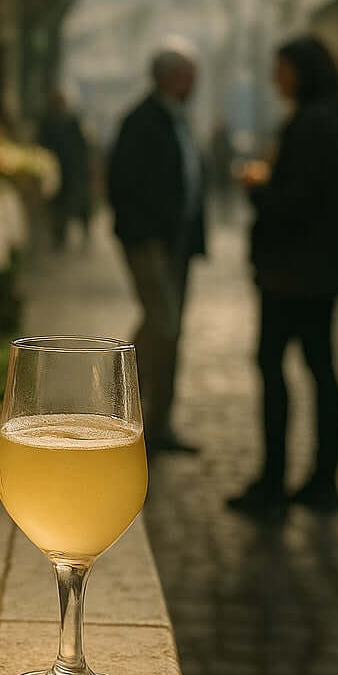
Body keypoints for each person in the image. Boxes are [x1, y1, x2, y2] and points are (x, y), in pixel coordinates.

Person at [228, 35, 338, 516]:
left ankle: (276, 482)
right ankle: (321, 479)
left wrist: (257, 188)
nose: (275, 79)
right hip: (314, 270)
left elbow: (297, 203)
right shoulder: (326, 118)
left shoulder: (311, 123)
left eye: (281, 70)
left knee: (279, 365)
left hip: (294, 271)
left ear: (302, 71)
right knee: (319, 368)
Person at [107, 49, 206, 454]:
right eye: (188, 75)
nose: (194, 84)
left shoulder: (177, 117)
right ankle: (125, 407)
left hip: (179, 242)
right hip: (150, 241)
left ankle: (149, 418)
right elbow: (123, 183)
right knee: (164, 325)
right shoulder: (142, 120)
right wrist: (144, 232)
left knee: (166, 328)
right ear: (168, 76)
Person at [37, 89, 93, 249]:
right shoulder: (47, 122)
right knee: (59, 205)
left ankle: (83, 230)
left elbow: (82, 146)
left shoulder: (72, 121)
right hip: (57, 169)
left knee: (80, 203)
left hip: (74, 169)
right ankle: (60, 235)